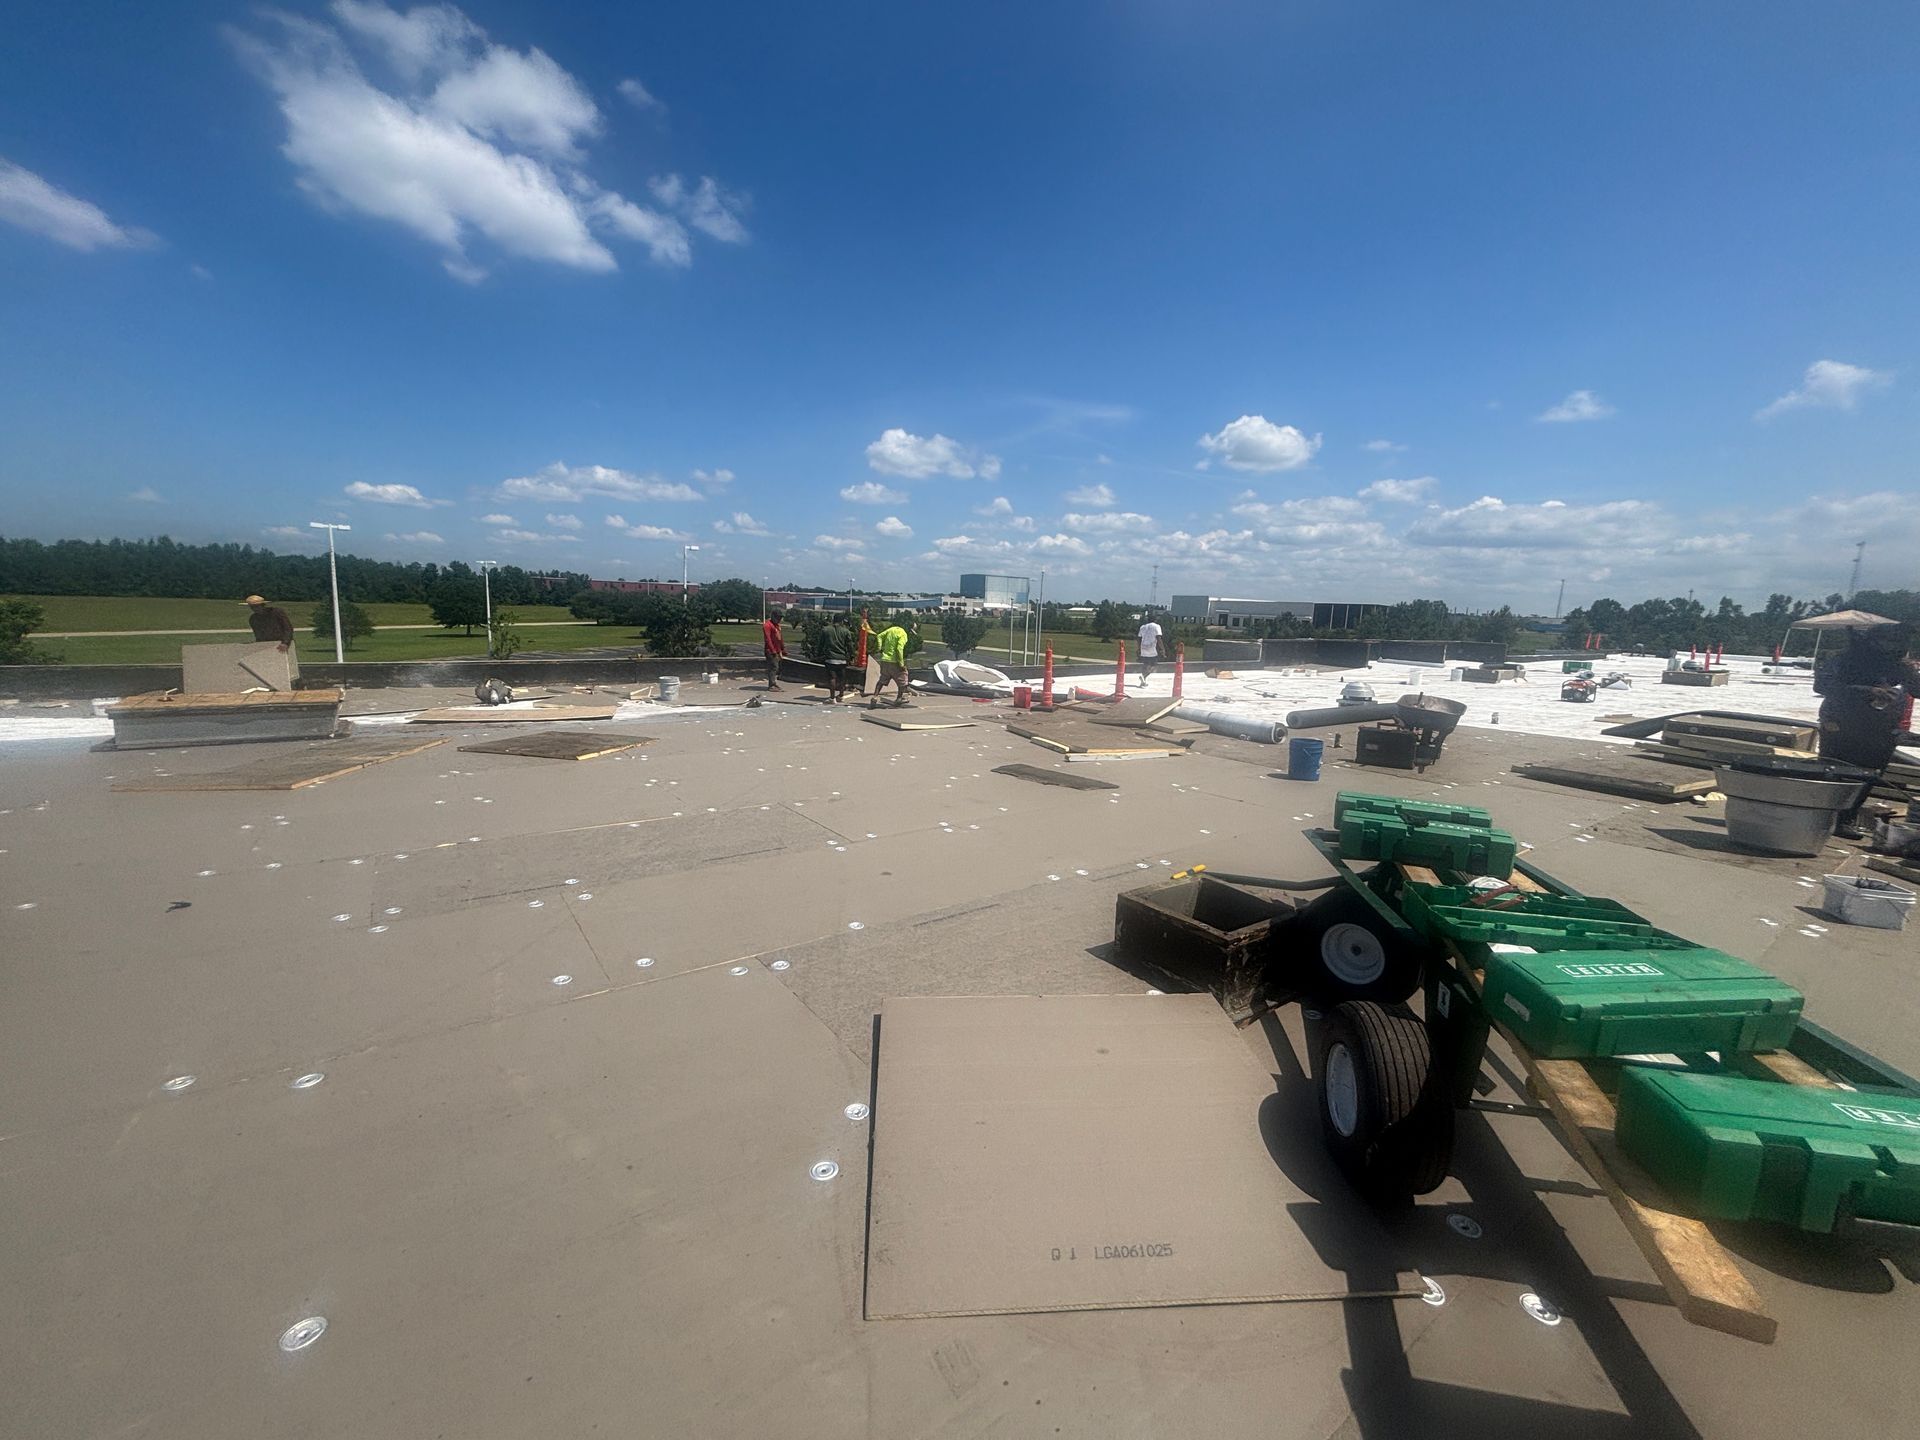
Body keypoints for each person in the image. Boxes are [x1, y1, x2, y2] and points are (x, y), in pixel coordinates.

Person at [1814, 624, 1920, 838]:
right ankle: (1821, 817)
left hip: (1881, 728)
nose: (1895, 646)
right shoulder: (1844, 659)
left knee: (1870, 775)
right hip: (1841, 724)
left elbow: (1917, 690)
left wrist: (1911, 672)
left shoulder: (1897, 665)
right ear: (1874, 639)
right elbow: (1823, 685)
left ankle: (1846, 818)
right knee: (1836, 771)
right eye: (1889, 641)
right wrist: (1866, 691)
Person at [865, 616, 912, 708]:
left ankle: (875, 697)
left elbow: (879, 636)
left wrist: (879, 647)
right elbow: (899, 648)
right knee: (903, 679)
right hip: (895, 661)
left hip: (885, 660)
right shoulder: (903, 634)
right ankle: (899, 698)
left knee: (882, 680)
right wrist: (901, 664)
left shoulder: (891, 630)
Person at [820, 614, 854, 702]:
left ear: (833, 620)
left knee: (832, 678)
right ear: (842, 621)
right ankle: (841, 696)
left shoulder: (825, 630)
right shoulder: (846, 631)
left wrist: (819, 654)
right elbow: (850, 645)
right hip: (842, 659)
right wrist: (851, 656)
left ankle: (832, 698)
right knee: (842, 678)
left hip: (830, 658)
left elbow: (821, 644)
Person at [761, 608, 788, 691]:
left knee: (777, 667)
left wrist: (783, 649)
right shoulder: (767, 625)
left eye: (780, 618)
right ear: (773, 616)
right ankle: (772, 685)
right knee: (773, 667)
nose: (779, 619)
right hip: (771, 650)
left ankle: (774, 683)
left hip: (777, 650)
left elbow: (780, 638)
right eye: (778, 617)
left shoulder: (777, 626)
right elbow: (768, 639)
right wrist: (773, 650)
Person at [1136, 615, 1163, 686]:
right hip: (1151, 648)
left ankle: (1143, 681)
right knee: (1154, 665)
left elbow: (1139, 638)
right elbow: (1158, 638)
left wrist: (1138, 648)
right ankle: (1144, 676)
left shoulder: (1142, 627)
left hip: (1143, 648)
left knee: (1146, 664)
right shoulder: (1157, 626)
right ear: (1155, 620)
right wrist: (1162, 649)